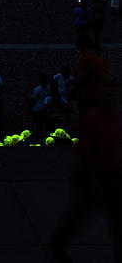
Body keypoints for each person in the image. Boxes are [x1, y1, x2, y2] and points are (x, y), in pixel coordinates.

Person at [49, 81, 122, 262]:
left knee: (114, 220)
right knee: (79, 215)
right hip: (92, 175)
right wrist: (91, 180)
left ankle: (58, 243)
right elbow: (83, 153)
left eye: (114, 95)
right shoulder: (92, 118)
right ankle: (58, 243)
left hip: (111, 175)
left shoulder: (117, 119)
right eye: (109, 95)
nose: (112, 99)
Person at [29, 73, 51, 143]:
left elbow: (33, 99)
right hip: (40, 109)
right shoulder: (46, 89)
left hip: (40, 109)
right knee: (41, 124)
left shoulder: (37, 89)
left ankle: (40, 137)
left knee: (41, 124)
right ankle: (41, 137)